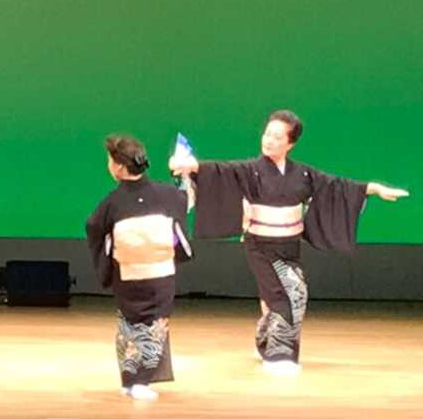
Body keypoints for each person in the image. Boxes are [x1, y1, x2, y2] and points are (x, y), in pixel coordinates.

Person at [169, 109, 408, 373]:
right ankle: (278, 355)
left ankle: (265, 339)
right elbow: (220, 170)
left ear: (290, 143)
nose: (269, 140)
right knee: (290, 293)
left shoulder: (302, 174)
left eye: (277, 136)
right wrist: (189, 165)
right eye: (267, 134)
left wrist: (374, 188)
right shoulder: (250, 170)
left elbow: (335, 186)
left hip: (289, 246)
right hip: (260, 245)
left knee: (283, 294)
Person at [86, 134, 192, 401]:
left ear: (119, 167)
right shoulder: (167, 194)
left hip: (128, 274)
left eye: (110, 161)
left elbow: (94, 227)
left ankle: (131, 380)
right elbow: (184, 202)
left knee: (130, 324)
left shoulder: (111, 202)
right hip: (160, 273)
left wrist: (110, 260)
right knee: (154, 324)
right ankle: (141, 382)